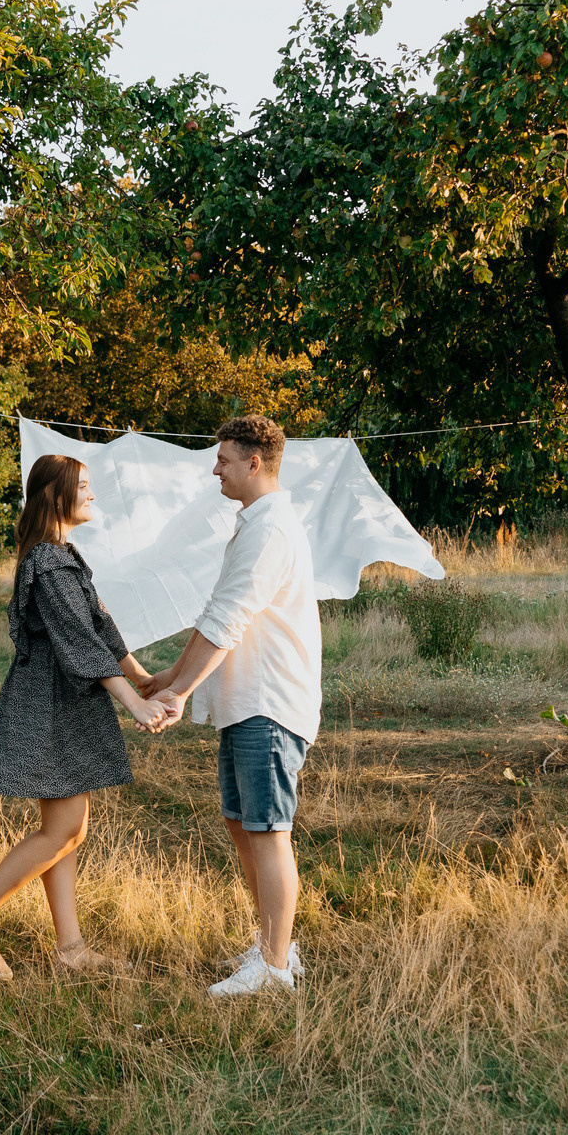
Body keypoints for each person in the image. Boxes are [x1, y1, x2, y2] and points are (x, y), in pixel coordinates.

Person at [0, 454, 178, 981]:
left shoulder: (61, 555)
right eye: (85, 487)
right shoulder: (48, 563)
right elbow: (77, 642)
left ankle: (70, 948)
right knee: (64, 829)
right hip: (48, 705)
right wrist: (134, 703)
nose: (92, 495)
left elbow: (99, 625)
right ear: (56, 495)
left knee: (67, 831)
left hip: (64, 702)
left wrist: (141, 677)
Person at [143, 415, 320, 996]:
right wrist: (172, 674)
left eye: (222, 459)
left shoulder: (270, 530)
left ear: (254, 462)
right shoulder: (254, 525)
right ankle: (276, 946)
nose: (214, 468)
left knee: (268, 830)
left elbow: (228, 618)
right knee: (241, 822)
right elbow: (219, 613)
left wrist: (180, 693)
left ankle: (271, 967)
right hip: (246, 703)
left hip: (269, 703)